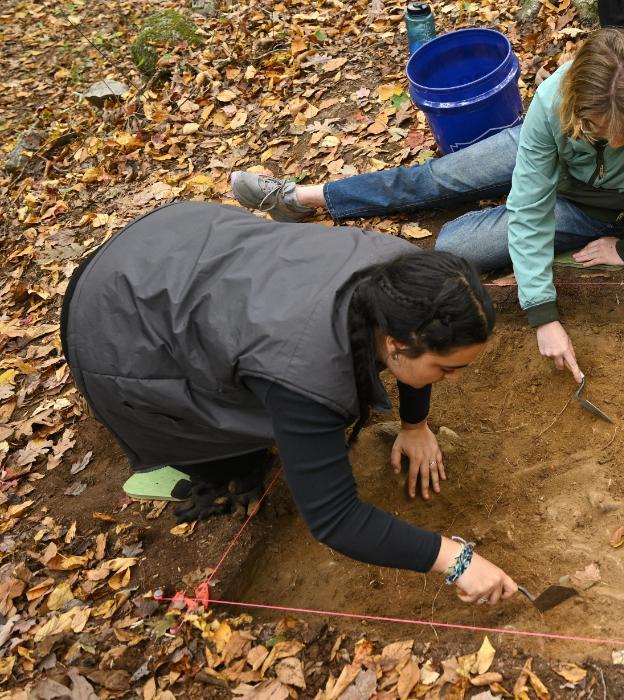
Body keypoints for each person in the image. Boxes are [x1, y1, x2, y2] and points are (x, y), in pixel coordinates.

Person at [61, 201, 518, 606]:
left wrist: (415, 425)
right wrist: (454, 559)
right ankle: (187, 466)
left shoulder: (410, 280)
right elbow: (335, 519)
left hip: (179, 241)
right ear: (396, 344)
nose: (454, 378)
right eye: (446, 369)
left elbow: (417, 353)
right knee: (236, 470)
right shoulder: (304, 374)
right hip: (115, 321)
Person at [229, 27, 624, 384]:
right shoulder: (553, 100)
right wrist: (544, 312)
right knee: (440, 175)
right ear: (579, 110)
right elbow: (529, 203)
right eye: (604, 131)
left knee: (457, 244)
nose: (620, 141)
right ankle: (302, 197)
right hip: (542, 158)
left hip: (597, 205)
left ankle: (348, 239)